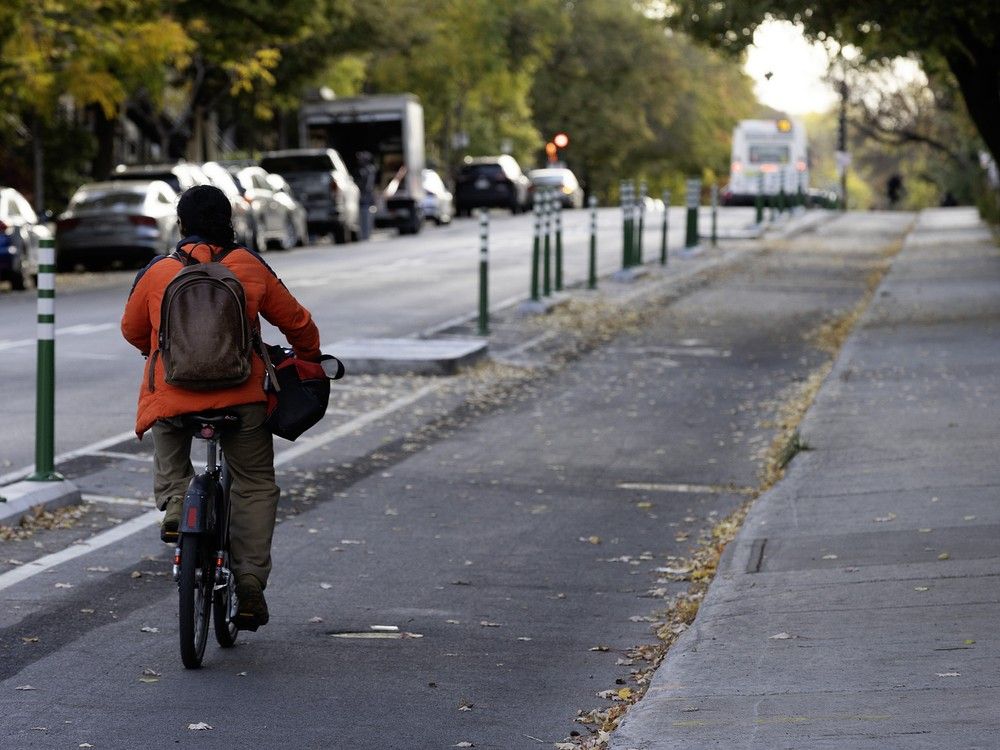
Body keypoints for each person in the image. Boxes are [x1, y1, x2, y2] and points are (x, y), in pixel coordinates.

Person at [121, 184, 321, 630]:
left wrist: (159, 350)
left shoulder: (158, 271)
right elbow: (297, 323)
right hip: (242, 398)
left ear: (181, 224)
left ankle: (176, 503)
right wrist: (309, 356)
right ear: (228, 221)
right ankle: (249, 582)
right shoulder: (248, 265)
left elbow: (132, 330)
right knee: (253, 483)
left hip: (173, 397)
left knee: (168, 436)